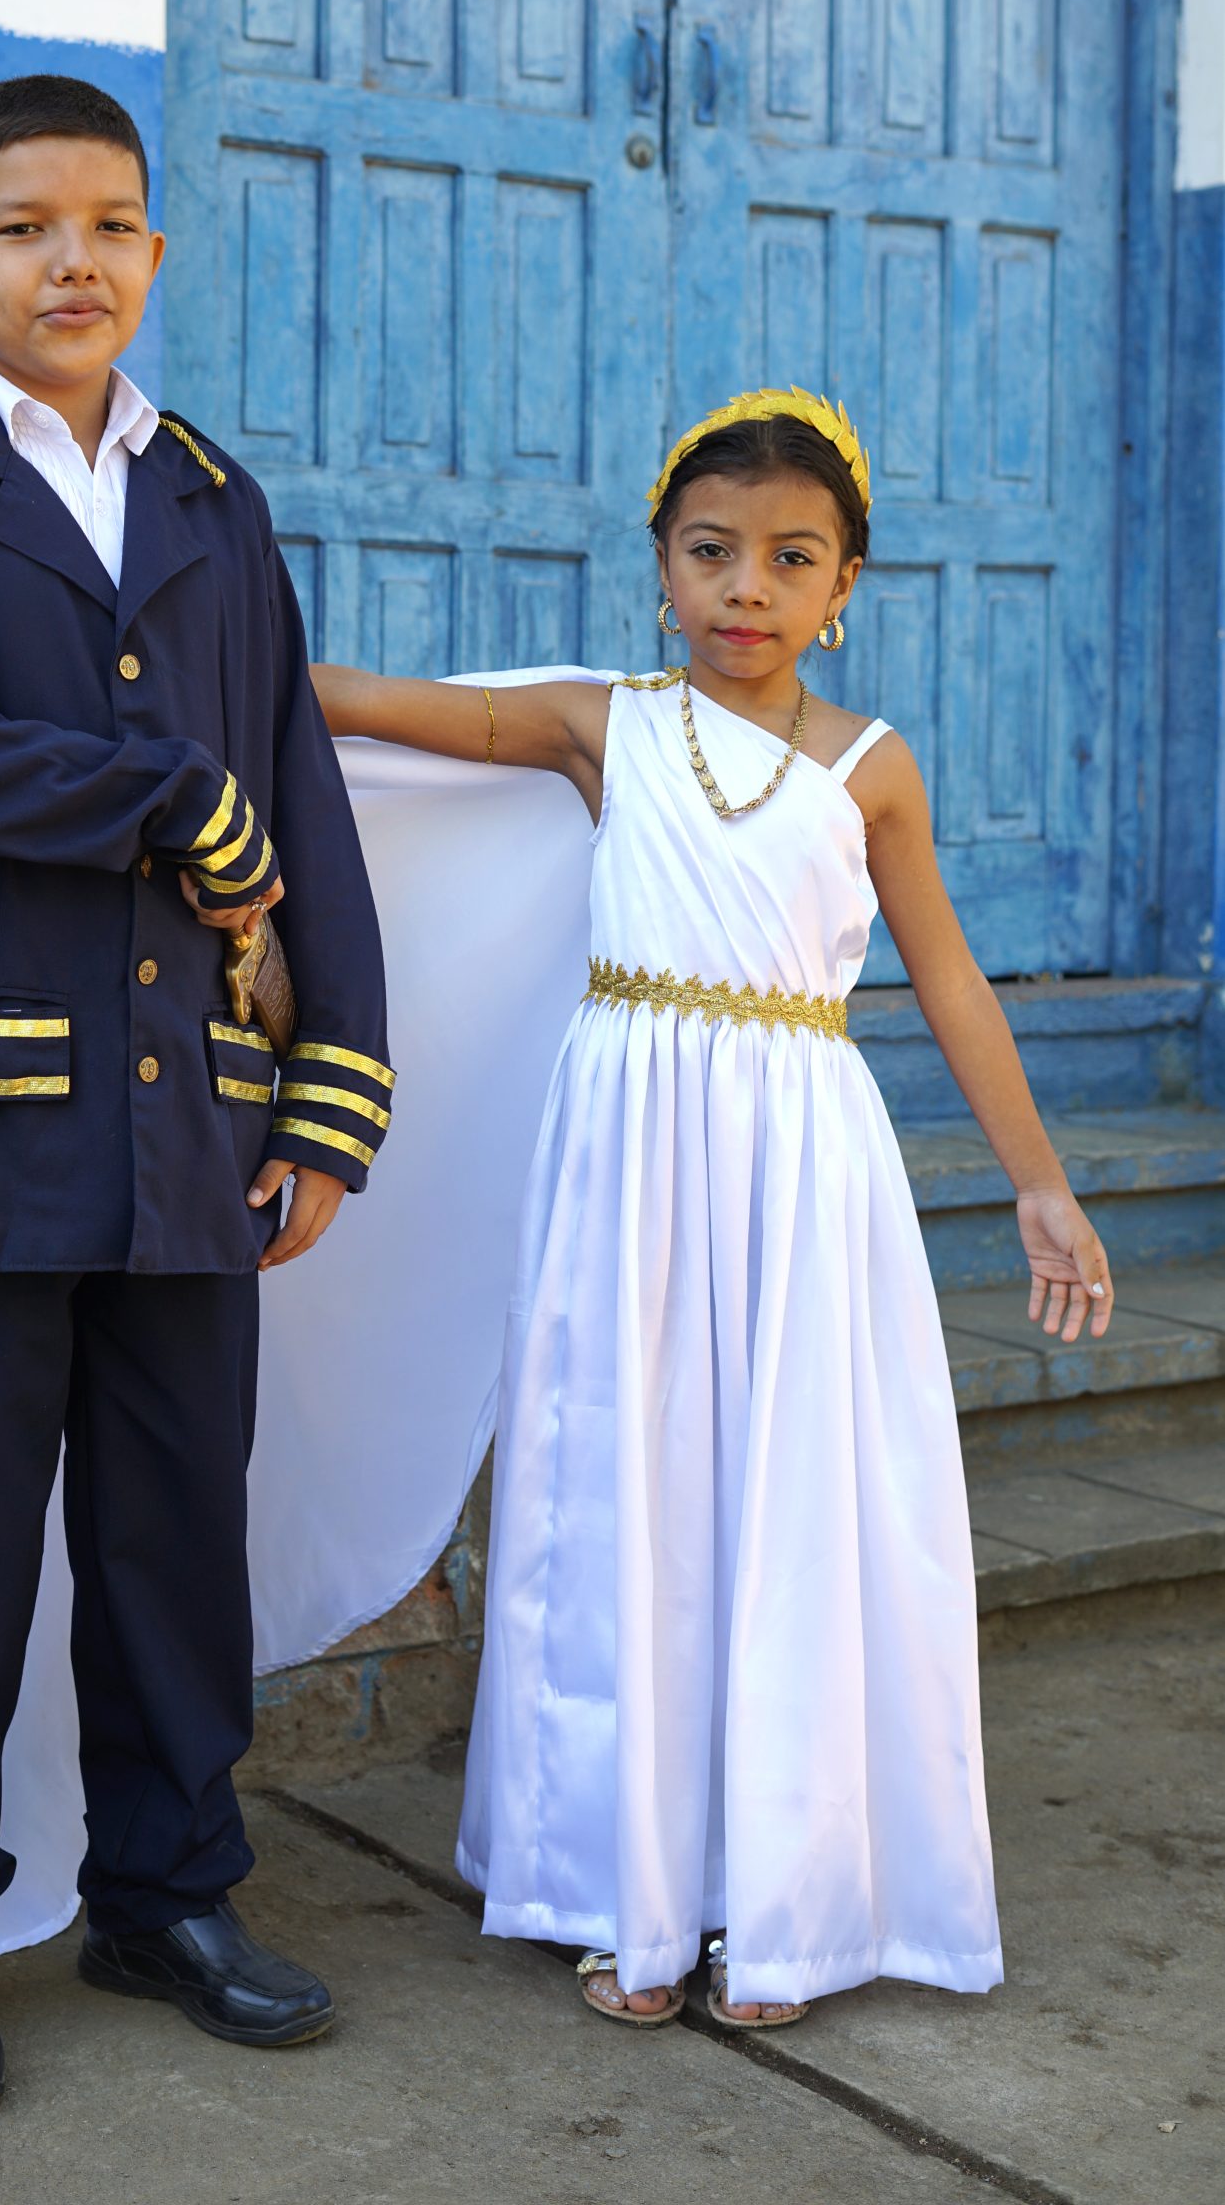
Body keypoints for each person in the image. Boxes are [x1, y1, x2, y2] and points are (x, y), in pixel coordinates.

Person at [309, 388, 1115, 2030]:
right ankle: (628, 1889)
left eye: (790, 558)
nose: (747, 586)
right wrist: (153, 644)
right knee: (631, 1497)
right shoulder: (597, 726)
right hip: (626, 1159)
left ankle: (788, 1903)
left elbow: (951, 979)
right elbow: (358, 706)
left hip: (802, 1163)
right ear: (662, 566)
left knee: (792, 1504)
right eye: (711, 551)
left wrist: (1041, 1181)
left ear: (846, 586)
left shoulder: (873, 771)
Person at [0, 73, 394, 2110]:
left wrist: (327, 1093)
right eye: (26, 225)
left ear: (154, 244)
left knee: (171, 1545)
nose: (76, 260)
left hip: (187, 1127)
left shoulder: (211, 496)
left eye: (112, 223)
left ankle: (167, 1892)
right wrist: (167, 798)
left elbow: (300, 799)